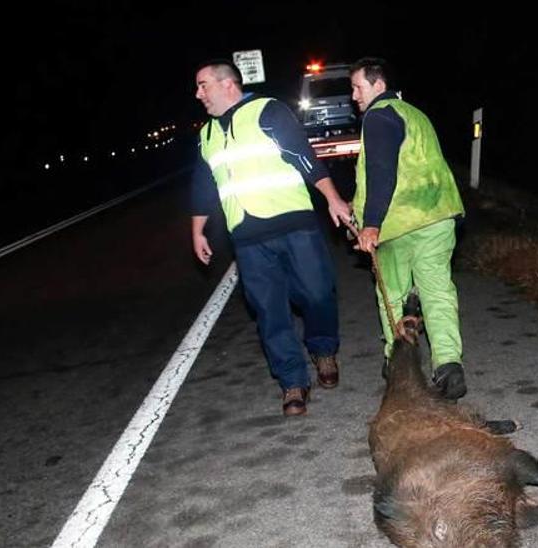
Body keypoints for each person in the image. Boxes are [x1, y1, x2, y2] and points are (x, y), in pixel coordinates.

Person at [190, 59, 351, 416]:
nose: (198, 94)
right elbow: (204, 185)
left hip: (295, 224)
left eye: (203, 85)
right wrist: (198, 229)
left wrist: (333, 198)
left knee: (317, 292)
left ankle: (324, 350)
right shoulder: (207, 134)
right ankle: (292, 381)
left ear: (228, 84)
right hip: (247, 236)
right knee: (268, 311)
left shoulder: (268, 111)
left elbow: (303, 157)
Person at [348, 57, 468, 400]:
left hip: (400, 222)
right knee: (437, 291)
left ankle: (398, 367)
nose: (354, 95)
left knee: (394, 296)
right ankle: (448, 367)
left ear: (378, 85)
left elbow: (381, 173)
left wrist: (370, 225)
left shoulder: (378, 116)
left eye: (358, 87)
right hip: (439, 216)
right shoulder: (415, 114)